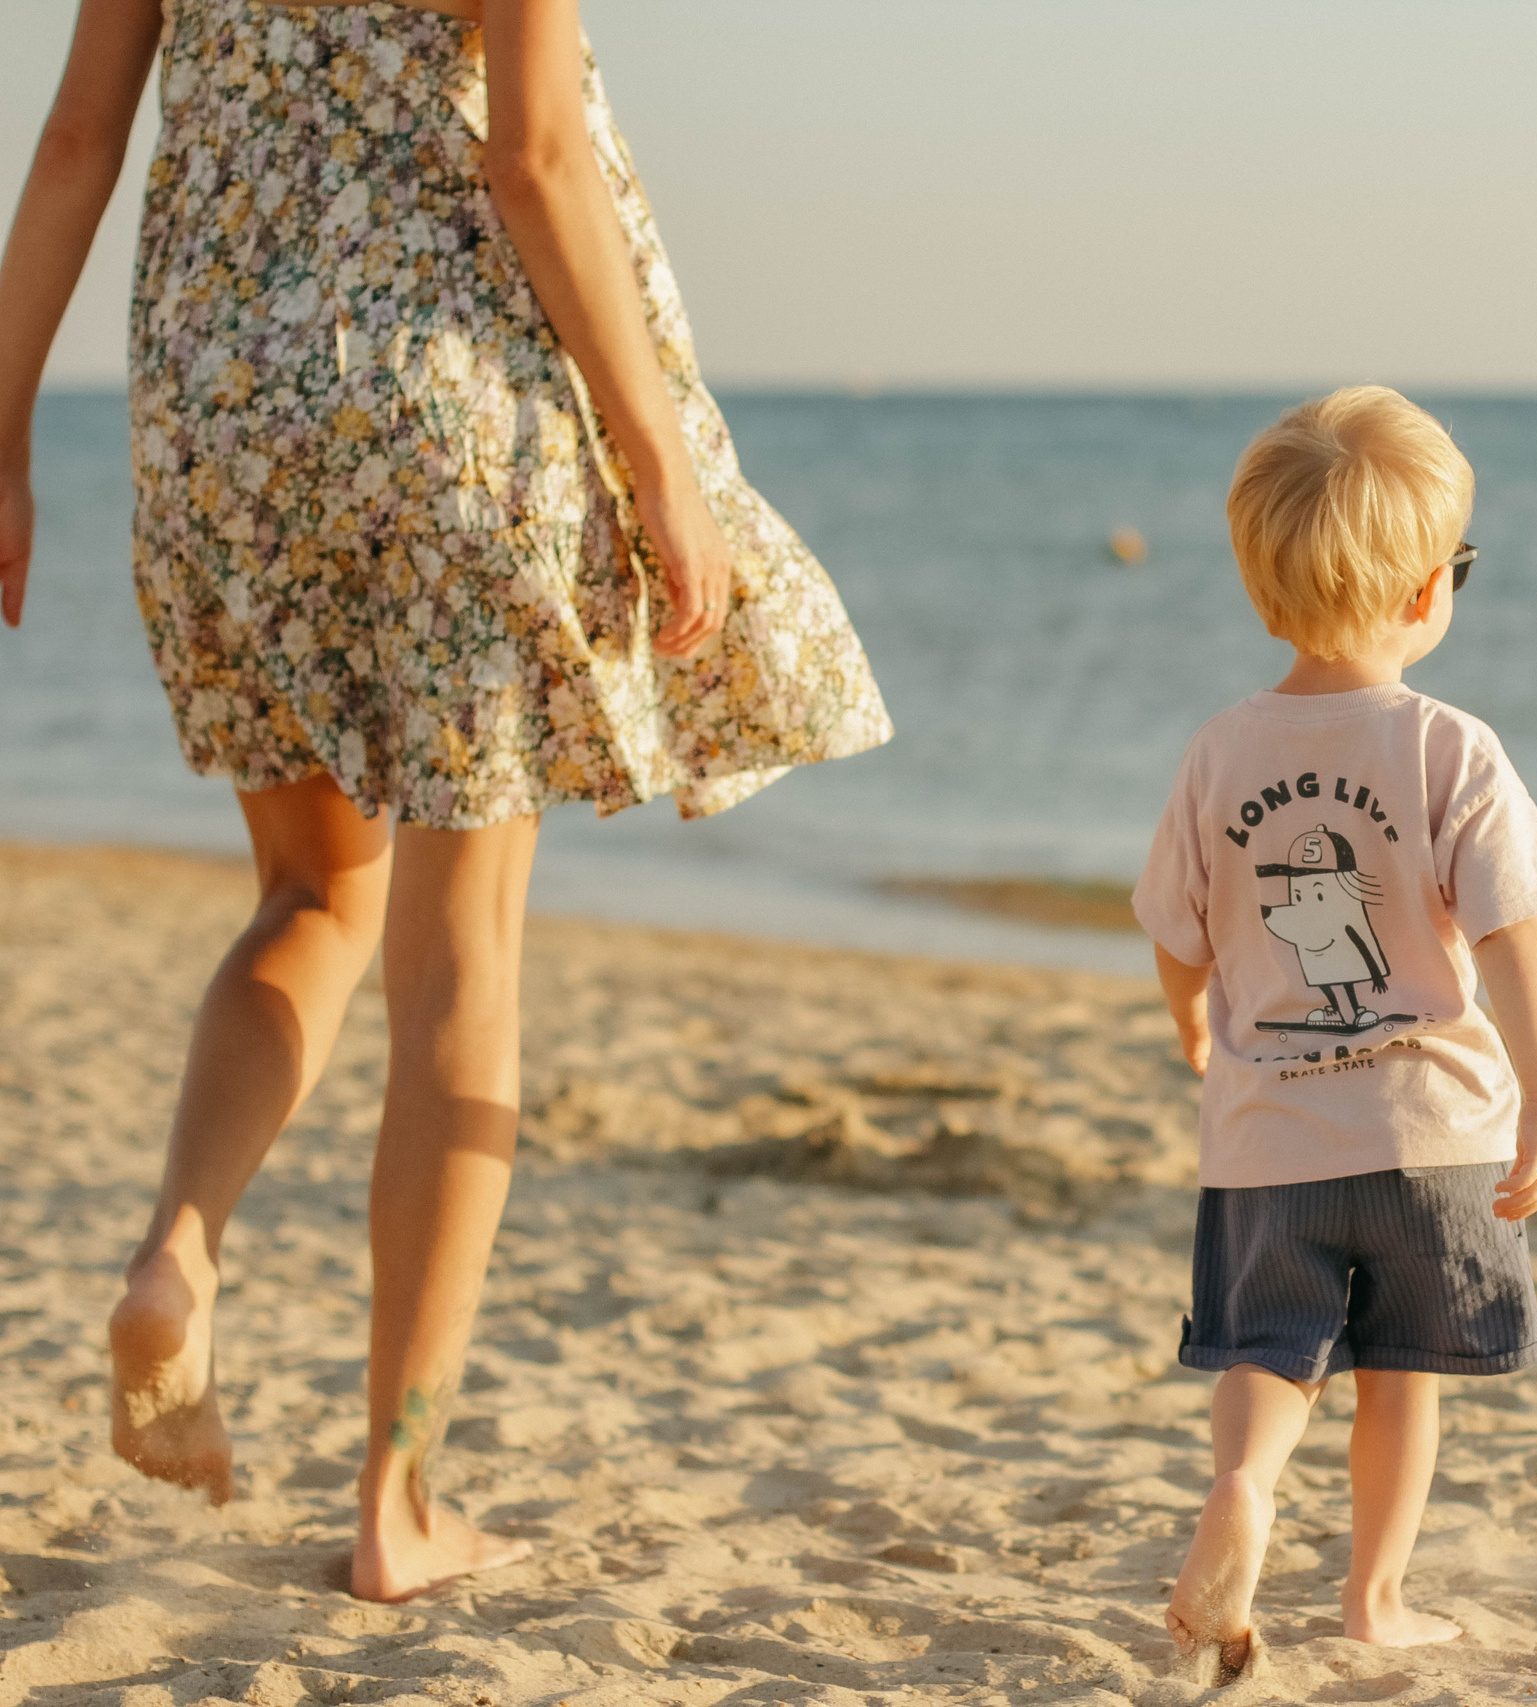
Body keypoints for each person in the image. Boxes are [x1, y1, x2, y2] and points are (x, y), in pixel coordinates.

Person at [0, 0, 890, 1601]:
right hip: (446, 402)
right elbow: (534, 156)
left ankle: (177, 1249)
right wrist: (660, 460)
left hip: (218, 414)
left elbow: (76, 142)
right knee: (459, 959)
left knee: (307, 899)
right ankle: (396, 1498)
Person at [1132, 385, 1537, 1672]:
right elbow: (1512, 931)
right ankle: (1373, 1601)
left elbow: (1179, 932)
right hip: (1431, 1132)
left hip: (1269, 1134)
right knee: (1402, 1372)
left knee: (1272, 1355)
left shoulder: (1218, 755)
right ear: (1425, 593)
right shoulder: (1449, 747)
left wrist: (1191, 1032)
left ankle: (1245, 1488)